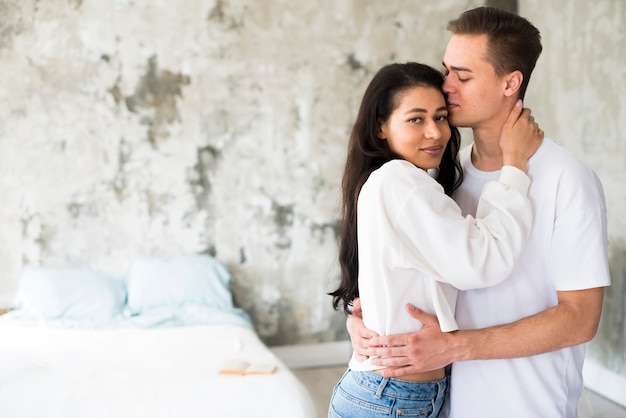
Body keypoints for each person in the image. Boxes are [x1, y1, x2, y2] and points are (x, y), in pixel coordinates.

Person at [346, 7, 611, 418]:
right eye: (446, 70)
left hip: (527, 407)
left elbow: (580, 320)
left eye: (463, 76)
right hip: (440, 401)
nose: (446, 86)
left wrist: (456, 345)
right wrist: (368, 319)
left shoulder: (567, 178)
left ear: (511, 83)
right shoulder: (445, 175)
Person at [327, 61, 542, 418]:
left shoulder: (397, 183)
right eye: (416, 119)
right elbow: (482, 262)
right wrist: (515, 165)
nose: (435, 133)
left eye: (440, 117)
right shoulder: (398, 180)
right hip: (391, 398)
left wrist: (359, 316)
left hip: (393, 394)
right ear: (381, 126)